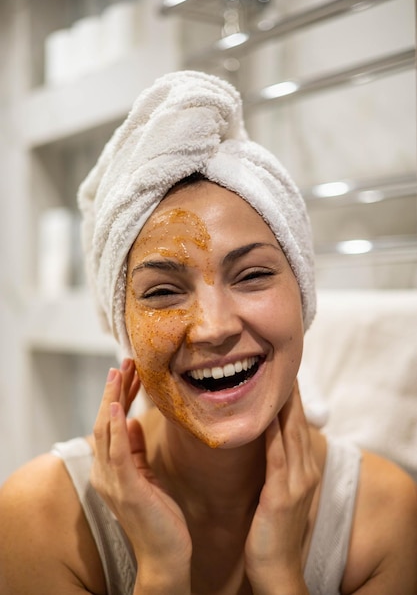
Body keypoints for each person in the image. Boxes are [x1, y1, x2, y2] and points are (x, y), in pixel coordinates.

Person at [0, 70, 416, 595]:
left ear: (304, 297)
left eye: (253, 275)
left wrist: (281, 577)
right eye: (162, 291)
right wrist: (159, 572)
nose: (214, 327)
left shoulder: (382, 516)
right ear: (123, 326)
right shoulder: (44, 519)